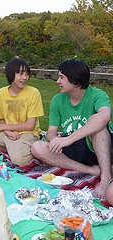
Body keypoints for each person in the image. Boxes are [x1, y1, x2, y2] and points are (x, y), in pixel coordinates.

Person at [31, 59, 112, 199]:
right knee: (37, 147)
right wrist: (55, 140)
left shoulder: (97, 95)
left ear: (75, 80)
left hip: (97, 146)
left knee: (97, 123)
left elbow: (105, 116)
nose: (57, 81)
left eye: (62, 77)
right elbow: (50, 131)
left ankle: (106, 177)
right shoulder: (57, 100)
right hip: (73, 149)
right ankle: (90, 171)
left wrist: (68, 139)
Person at [0, 58, 44, 166]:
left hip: (28, 134)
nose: (25, 78)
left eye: (27, 74)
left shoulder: (33, 93)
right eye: (21, 74)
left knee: (19, 160)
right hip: (7, 134)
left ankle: (10, 150)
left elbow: (30, 126)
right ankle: (7, 148)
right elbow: (2, 119)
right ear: (10, 74)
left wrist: (2, 128)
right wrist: (8, 132)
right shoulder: (1, 93)